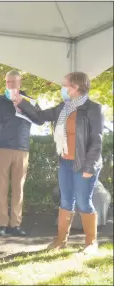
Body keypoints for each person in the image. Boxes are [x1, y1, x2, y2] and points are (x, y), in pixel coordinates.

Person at [13, 72, 103, 254]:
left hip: (84, 163)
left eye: (65, 84)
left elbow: (96, 141)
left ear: (76, 87)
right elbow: (40, 117)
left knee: (84, 203)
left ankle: (91, 242)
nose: (62, 88)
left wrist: (90, 167)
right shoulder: (65, 107)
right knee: (66, 200)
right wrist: (21, 102)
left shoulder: (94, 108)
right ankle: (61, 240)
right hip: (65, 162)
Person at [0, 70, 42, 237]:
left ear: (19, 83)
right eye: (8, 82)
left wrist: (22, 103)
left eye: (13, 82)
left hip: (22, 149)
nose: (10, 85)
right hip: (1, 148)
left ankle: (15, 224)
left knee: (18, 188)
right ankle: (1, 223)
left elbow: (40, 119)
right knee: (1, 187)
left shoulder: (29, 100)